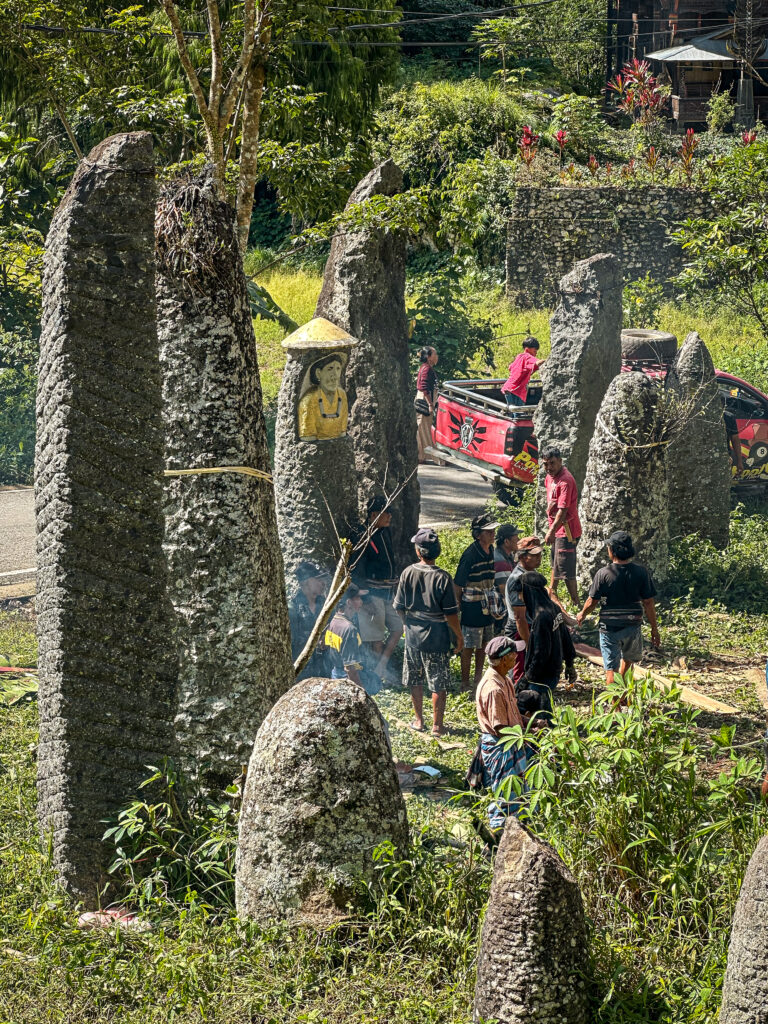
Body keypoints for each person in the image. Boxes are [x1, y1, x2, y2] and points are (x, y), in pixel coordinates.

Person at [394, 527, 463, 737]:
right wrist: (459, 637)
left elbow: (398, 606)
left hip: (413, 636)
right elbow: (451, 615)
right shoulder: (443, 577)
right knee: (437, 682)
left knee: (415, 678)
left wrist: (406, 624)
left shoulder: (407, 573)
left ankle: (418, 720)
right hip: (437, 636)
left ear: (418, 551)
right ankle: (437, 726)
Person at [576, 530, 660, 686]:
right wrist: (654, 628)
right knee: (628, 664)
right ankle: (624, 700)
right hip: (632, 626)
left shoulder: (604, 574)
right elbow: (648, 602)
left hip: (609, 628)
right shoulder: (641, 572)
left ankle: (615, 706)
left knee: (611, 669)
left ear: (612, 550)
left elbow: (592, 601)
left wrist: (582, 614)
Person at [472, 635, 529, 831]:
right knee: (505, 793)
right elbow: (500, 728)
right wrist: (524, 734)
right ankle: (497, 835)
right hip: (501, 745)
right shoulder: (493, 688)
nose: (517, 658)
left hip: (511, 741)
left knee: (518, 791)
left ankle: (516, 829)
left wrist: (532, 722)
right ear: (505, 659)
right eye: (514, 655)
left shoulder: (504, 679)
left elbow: (511, 714)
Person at [355, 495, 404, 680]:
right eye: (386, 513)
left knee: (398, 627)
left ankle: (381, 667)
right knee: (376, 638)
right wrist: (364, 599)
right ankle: (378, 676)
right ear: (374, 514)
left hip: (388, 593)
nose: (389, 517)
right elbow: (357, 570)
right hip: (372, 594)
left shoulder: (384, 532)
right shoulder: (362, 535)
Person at [520, 571, 577, 722]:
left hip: (542, 676)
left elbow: (541, 653)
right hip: (553, 670)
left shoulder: (541, 617)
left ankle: (548, 741)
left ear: (528, 592)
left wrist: (527, 678)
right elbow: (566, 638)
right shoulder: (553, 608)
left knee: (540, 716)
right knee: (547, 710)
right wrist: (570, 663)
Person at [455, 513, 499, 693]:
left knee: (484, 644)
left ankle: (478, 680)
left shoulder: (491, 551)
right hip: (472, 605)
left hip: (487, 603)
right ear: (478, 534)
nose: (492, 534)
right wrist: (458, 607)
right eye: (488, 531)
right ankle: (465, 683)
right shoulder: (470, 554)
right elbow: (458, 584)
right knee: (469, 646)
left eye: (493, 531)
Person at [541, 447, 581, 606]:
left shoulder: (566, 480)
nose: (549, 467)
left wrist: (551, 531)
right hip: (557, 530)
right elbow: (553, 501)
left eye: (552, 463)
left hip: (567, 531)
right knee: (555, 563)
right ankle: (552, 594)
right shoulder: (549, 477)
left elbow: (563, 511)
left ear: (560, 462)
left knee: (567, 570)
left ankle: (576, 603)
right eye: (545, 464)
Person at [503, 536, 545, 684]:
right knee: (518, 670)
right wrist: (529, 643)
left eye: (540, 554)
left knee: (528, 667)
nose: (539, 558)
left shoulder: (532, 575)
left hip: (529, 626)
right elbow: (519, 617)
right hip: (519, 630)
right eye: (534, 555)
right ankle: (515, 701)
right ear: (522, 557)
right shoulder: (518, 579)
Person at [288, 561, 330, 680]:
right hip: (302, 671)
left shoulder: (325, 604)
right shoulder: (293, 608)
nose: (324, 583)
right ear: (306, 582)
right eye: (318, 579)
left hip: (325, 668)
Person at [324, 583, 370, 689]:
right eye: (358, 598)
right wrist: (361, 692)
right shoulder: (349, 629)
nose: (361, 602)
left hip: (335, 676)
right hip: (348, 681)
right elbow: (350, 668)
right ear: (349, 602)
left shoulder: (333, 621)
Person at [297, 353, 349, 441]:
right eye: (330, 369)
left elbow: (342, 433)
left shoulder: (341, 395)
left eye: (338, 369)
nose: (335, 375)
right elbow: (308, 437)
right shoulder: (309, 400)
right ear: (318, 373)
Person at [500, 336, 544, 409]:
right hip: (517, 390)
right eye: (535, 351)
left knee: (511, 412)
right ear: (527, 349)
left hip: (508, 387)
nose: (536, 353)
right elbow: (538, 363)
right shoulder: (528, 357)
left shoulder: (519, 356)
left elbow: (510, 367)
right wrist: (550, 360)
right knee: (519, 414)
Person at [415, 346, 439, 464]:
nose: (437, 356)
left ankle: (422, 456)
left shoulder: (426, 368)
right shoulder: (426, 369)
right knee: (424, 429)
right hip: (424, 400)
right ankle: (432, 457)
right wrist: (430, 404)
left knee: (423, 428)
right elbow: (423, 387)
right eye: (435, 354)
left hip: (425, 399)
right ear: (429, 357)